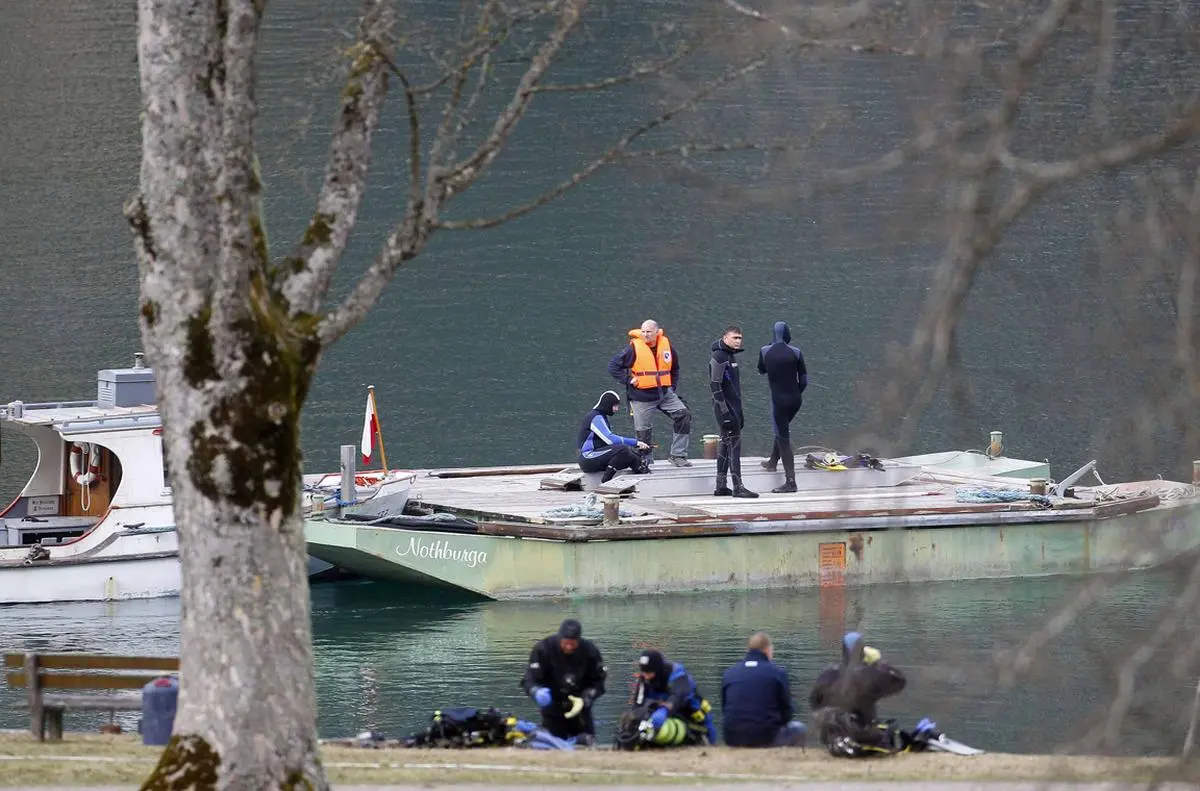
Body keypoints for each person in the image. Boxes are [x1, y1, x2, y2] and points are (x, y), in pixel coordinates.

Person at [607, 319, 693, 467]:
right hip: (641, 396)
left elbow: (675, 368)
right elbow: (613, 366)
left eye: (649, 332)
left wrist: (672, 386)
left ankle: (678, 455)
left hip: (664, 393)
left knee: (683, 415)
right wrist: (628, 380)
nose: (645, 335)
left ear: (656, 332)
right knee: (643, 432)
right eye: (643, 332)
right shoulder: (633, 349)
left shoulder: (666, 347)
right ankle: (646, 462)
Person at [808, 631, 908, 756]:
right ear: (862, 650)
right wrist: (879, 663)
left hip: (832, 735)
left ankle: (839, 734)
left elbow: (814, 701)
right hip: (862, 733)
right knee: (890, 728)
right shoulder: (870, 675)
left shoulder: (828, 673)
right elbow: (900, 682)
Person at [520, 619, 607, 743]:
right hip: (553, 708)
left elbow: (599, 681)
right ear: (560, 638)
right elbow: (529, 679)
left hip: (580, 709)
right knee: (553, 746)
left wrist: (589, 695)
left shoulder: (590, 651)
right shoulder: (543, 649)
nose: (569, 647)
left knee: (586, 744)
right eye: (566, 643)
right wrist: (536, 691)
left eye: (573, 644)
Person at [721, 632, 807, 747]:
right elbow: (787, 712)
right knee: (800, 728)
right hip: (766, 737)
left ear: (748, 650)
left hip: (732, 737)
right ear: (768, 650)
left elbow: (724, 708)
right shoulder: (777, 673)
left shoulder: (729, 673)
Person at [757, 320, 808, 493]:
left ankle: (791, 482)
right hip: (795, 400)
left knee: (782, 436)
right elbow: (804, 381)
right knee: (782, 429)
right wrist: (795, 393)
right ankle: (772, 461)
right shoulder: (796, 352)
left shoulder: (765, 351)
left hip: (778, 400)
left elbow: (761, 370)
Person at [709, 325, 757, 498]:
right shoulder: (719, 356)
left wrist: (739, 412)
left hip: (734, 408)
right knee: (734, 446)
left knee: (724, 444)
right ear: (725, 338)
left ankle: (721, 486)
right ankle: (738, 487)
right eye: (734, 338)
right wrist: (724, 412)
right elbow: (715, 385)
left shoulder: (730, 356)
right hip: (725, 409)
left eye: (740, 338)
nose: (738, 341)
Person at [632, 649, 718, 745]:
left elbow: (677, 697)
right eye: (644, 672)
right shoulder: (644, 679)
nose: (646, 677)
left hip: (693, 720)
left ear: (658, 669)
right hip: (663, 721)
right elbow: (637, 707)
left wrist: (664, 710)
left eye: (649, 673)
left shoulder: (678, 675)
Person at [577, 390, 651, 482]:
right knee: (623, 449)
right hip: (587, 457)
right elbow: (610, 440)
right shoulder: (595, 417)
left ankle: (642, 473)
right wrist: (635, 442)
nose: (616, 409)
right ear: (607, 404)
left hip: (593, 456)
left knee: (631, 455)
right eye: (615, 406)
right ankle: (606, 481)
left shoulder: (601, 416)